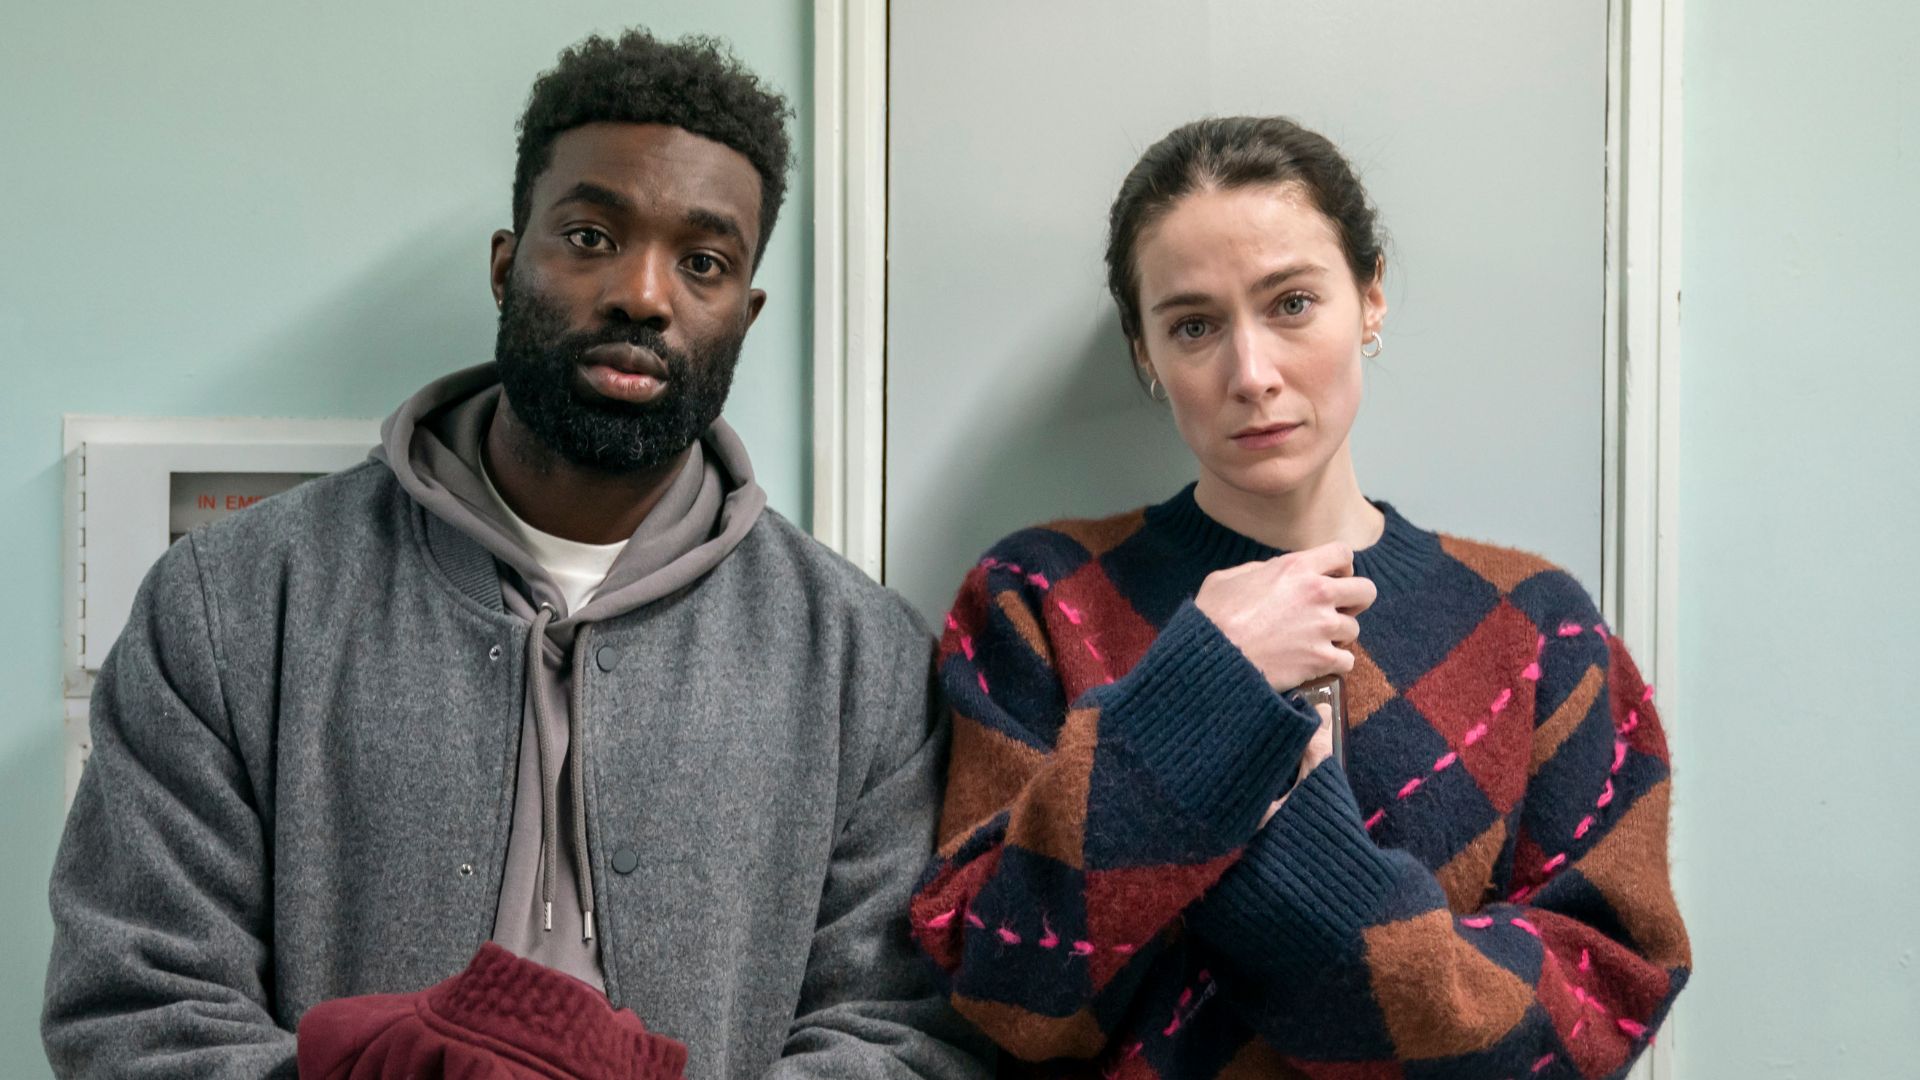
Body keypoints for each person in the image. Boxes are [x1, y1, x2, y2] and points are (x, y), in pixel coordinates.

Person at [44, 28, 986, 1080]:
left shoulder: (865, 660)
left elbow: (904, 1037)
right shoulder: (231, 607)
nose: (643, 293)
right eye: (589, 236)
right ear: (506, 265)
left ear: (745, 313)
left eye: (704, 262)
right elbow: (135, 1009)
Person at [911, 116, 1690, 1078]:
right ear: (1145, 353)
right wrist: (1203, 692)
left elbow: (1582, 1028)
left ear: (1369, 298)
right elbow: (1002, 991)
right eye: (1194, 326)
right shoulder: (1038, 599)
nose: (1252, 375)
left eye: (1291, 304)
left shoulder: (1536, 627)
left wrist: (1274, 847)